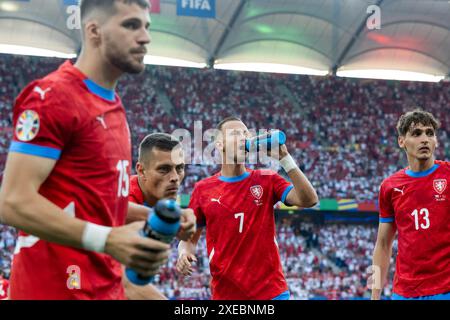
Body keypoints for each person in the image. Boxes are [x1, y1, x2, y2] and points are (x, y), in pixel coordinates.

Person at [0, 0, 190, 299]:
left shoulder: (112, 106)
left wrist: (156, 216)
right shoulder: (54, 97)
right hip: (51, 290)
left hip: (101, 288)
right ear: (94, 31)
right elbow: (13, 202)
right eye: (131, 25)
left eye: (146, 26)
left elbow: (98, 202)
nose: (145, 37)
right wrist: (108, 239)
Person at [176, 116, 319, 300]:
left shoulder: (267, 179)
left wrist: (285, 159)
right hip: (227, 296)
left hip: (272, 293)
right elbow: (189, 238)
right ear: (220, 145)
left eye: (246, 133)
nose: (244, 137)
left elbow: (309, 200)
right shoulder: (203, 189)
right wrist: (184, 252)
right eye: (236, 133)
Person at [372, 109, 450, 300]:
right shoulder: (389, 187)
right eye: (416, 133)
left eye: (429, 133)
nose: (424, 139)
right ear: (401, 141)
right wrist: (374, 294)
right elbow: (382, 245)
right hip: (404, 292)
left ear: (436, 141)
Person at [124, 132, 195, 300]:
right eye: (164, 169)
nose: (175, 178)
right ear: (141, 170)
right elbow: (126, 283)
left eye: (179, 168)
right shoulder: (126, 196)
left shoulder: (163, 199)